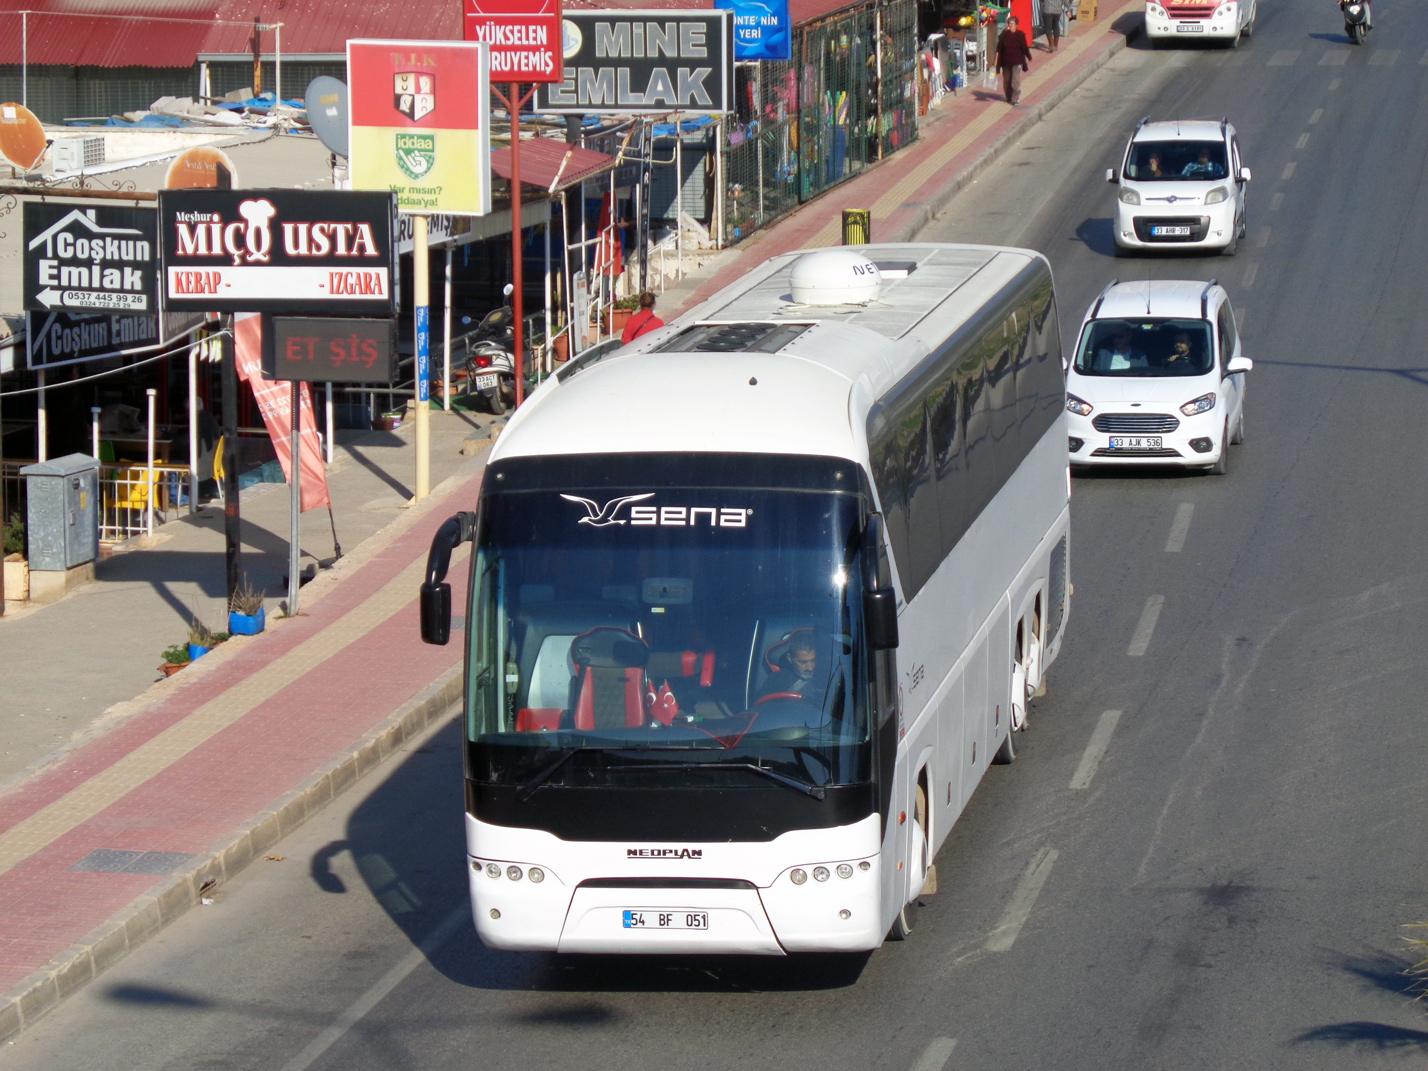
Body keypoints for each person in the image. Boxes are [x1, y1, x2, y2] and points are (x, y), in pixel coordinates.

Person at [995, 16, 1033, 106]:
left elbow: (1025, 47)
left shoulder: (1020, 34)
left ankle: (1016, 98)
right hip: (1006, 61)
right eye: (1009, 24)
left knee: (1015, 80)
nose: (1010, 25)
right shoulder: (1004, 34)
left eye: (1012, 24)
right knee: (1007, 80)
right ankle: (1008, 97)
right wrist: (996, 61)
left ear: (1016, 25)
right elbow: (999, 49)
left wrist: (1029, 57)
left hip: (1017, 61)